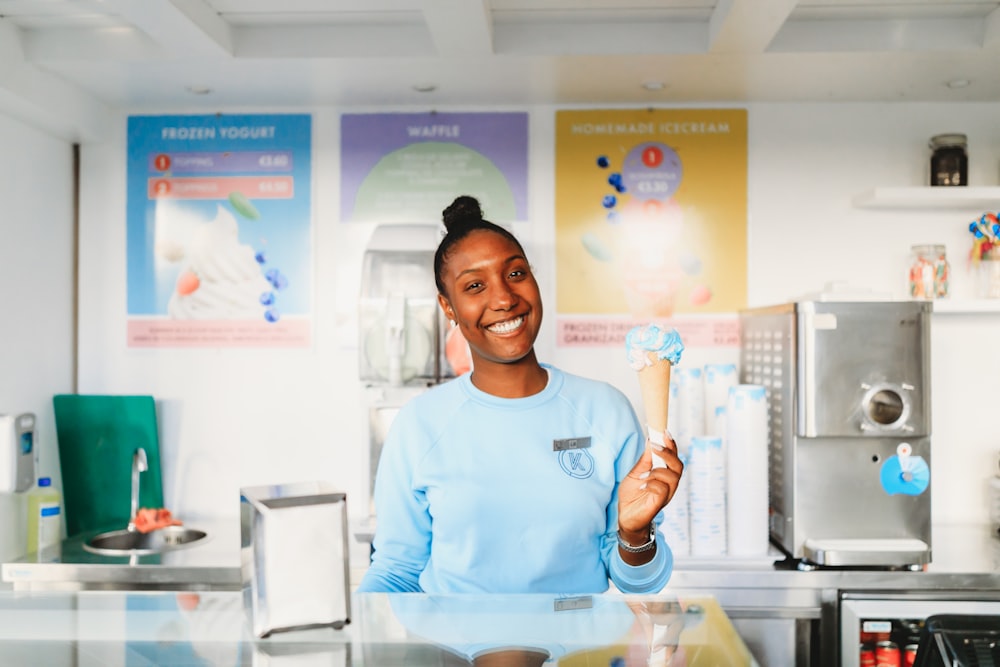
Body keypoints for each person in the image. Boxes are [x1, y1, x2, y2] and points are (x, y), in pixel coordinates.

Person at [357, 195, 684, 595]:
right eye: (475, 286)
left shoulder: (604, 411)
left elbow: (640, 582)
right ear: (449, 307)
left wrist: (634, 533)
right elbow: (395, 572)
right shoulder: (419, 425)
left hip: (575, 652)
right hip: (455, 653)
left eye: (515, 274)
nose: (503, 299)